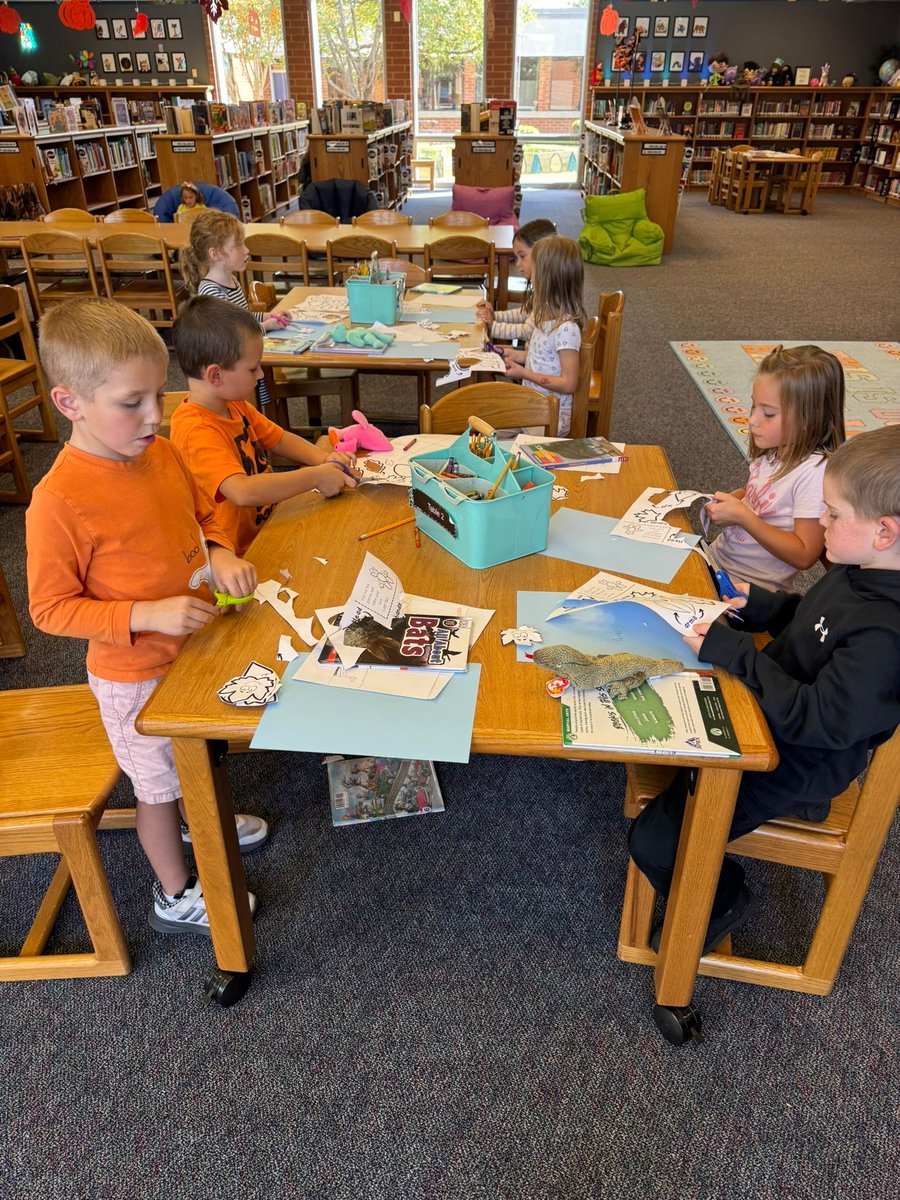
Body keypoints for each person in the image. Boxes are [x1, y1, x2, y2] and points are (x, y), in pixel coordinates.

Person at [26, 298, 267, 936]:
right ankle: (175, 892)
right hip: (132, 673)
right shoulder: (58, 501)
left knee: (200, 749)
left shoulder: (158, 453)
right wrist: (146, 612)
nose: (155, 416)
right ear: (69, 403)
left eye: (158, 395)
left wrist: (216, 553)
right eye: (131, 402)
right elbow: (50, 610)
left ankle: (206, 819)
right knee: (154, 787)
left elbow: (196, 516)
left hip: (191, 646)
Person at [629, 425, 900, 954]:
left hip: (796, 757)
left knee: (655, 841)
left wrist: (736, 654)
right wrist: (761, 606)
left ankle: (723, 899)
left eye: (834, 514)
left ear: (884, 531)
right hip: (768, 712)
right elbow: (811, 623)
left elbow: (818, 721)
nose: (821, 522)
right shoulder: (858, 566)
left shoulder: (886, 635)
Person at [171, 296, 357, 556]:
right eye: (253, 368)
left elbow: (279, 439)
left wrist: (325, 459)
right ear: (216, 375)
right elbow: (242, 491)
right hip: (238, 556)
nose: (260, 375)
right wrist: (316, 476)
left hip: (267, 529)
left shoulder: (232, 403)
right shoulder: (195, 430)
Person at [705, 344, 846, 590]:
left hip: (748, 592)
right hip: (718, 564)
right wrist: (733, 500)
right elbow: (756, 494)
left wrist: (743, 517)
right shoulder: (775, 452)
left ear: (808, 418)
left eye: (768, 414)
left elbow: (804, 554)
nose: (752, 420)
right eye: (753, 407)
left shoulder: (814, 474)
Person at [179, 209, 287, 409]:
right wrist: (266, 326)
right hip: (231, 370)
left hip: (242, 361)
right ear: (215, 254)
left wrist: (267, 315)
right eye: (238, 244)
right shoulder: (211, 291)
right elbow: (235, 336)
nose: (246, 250)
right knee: (246, 413)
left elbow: (242, 316)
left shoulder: (232, 281)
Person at [494, 235, 586, 437]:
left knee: (507, 452)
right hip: (532, 405)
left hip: (551, 416)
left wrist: (523, 373)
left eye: (534, 271)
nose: (530, 277)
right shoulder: (545, 317)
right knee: (487, 431)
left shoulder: (566, 329)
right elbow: (543, 358)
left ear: (546, 279)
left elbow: (569, 383)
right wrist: (514, 355)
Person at [475, 218, 556, 344]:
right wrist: (494, 315)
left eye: (522, 256)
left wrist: (493, 325)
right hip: (529, 355)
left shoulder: (550, 297)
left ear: (542, 255)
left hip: (533, 360)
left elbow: (526, 331)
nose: (518, 264)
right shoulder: (543, 287)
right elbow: (524, 313)